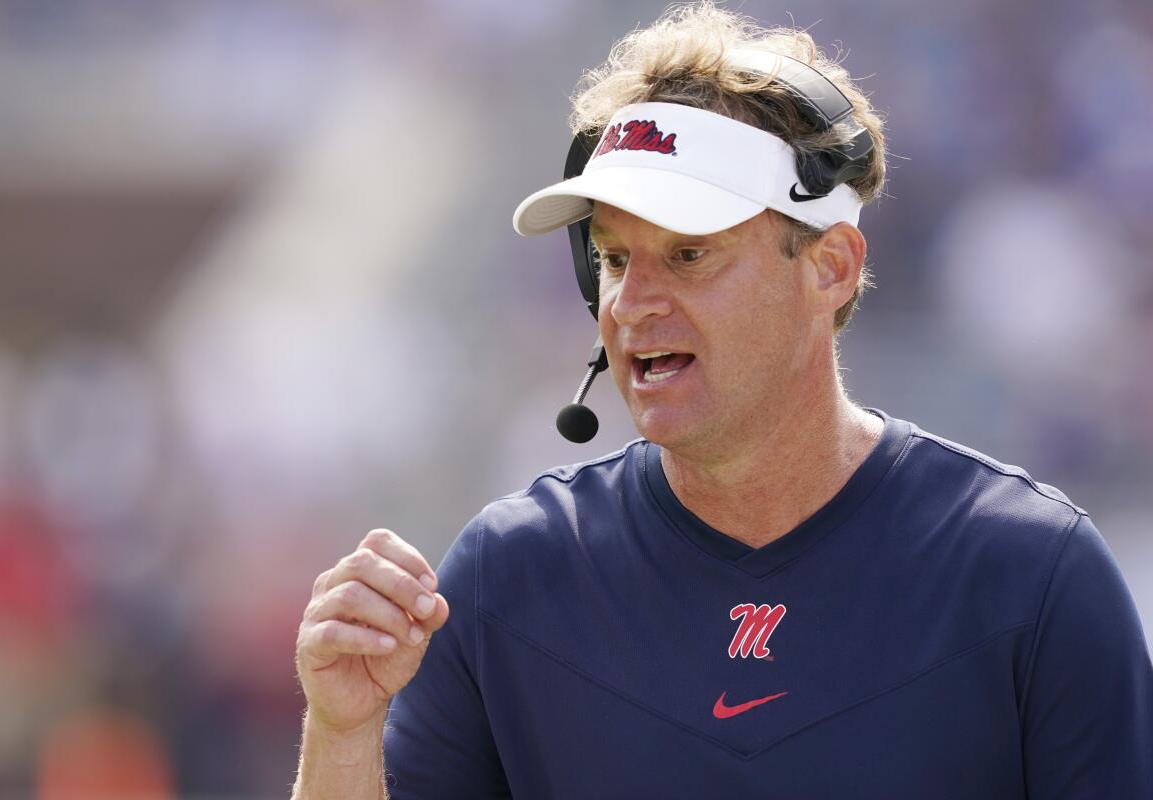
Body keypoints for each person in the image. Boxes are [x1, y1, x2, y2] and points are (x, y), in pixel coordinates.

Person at [290, 4, 1153, 798]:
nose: (632, 304)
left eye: (691, 255)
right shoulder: (506, 579)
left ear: (831, 267)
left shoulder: (1031, 576)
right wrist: (342, 732)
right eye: (617, 259)